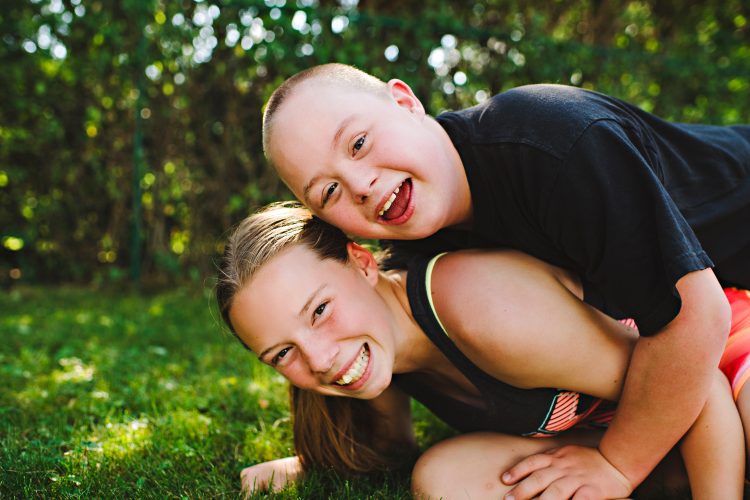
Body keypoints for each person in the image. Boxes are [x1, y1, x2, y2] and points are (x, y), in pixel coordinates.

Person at [259, 63, 750, 498]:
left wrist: (617, 464)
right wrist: (323, 457)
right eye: (329, 190)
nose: (361, 186)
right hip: (686, 338)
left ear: (406, 101)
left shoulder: (552, 142)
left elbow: (696, 317)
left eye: (359, 143)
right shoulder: (411, 245)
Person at [216, 202, 749, 499]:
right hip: (639, 428)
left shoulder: (482, 308)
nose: (320, 358)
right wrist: (311, 463)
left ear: (360, 262)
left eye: (319, 311)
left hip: (722, 352)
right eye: (282, 353)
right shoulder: (378, 354)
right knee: (444, 479)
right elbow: (389, 444)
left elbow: (696, 381)